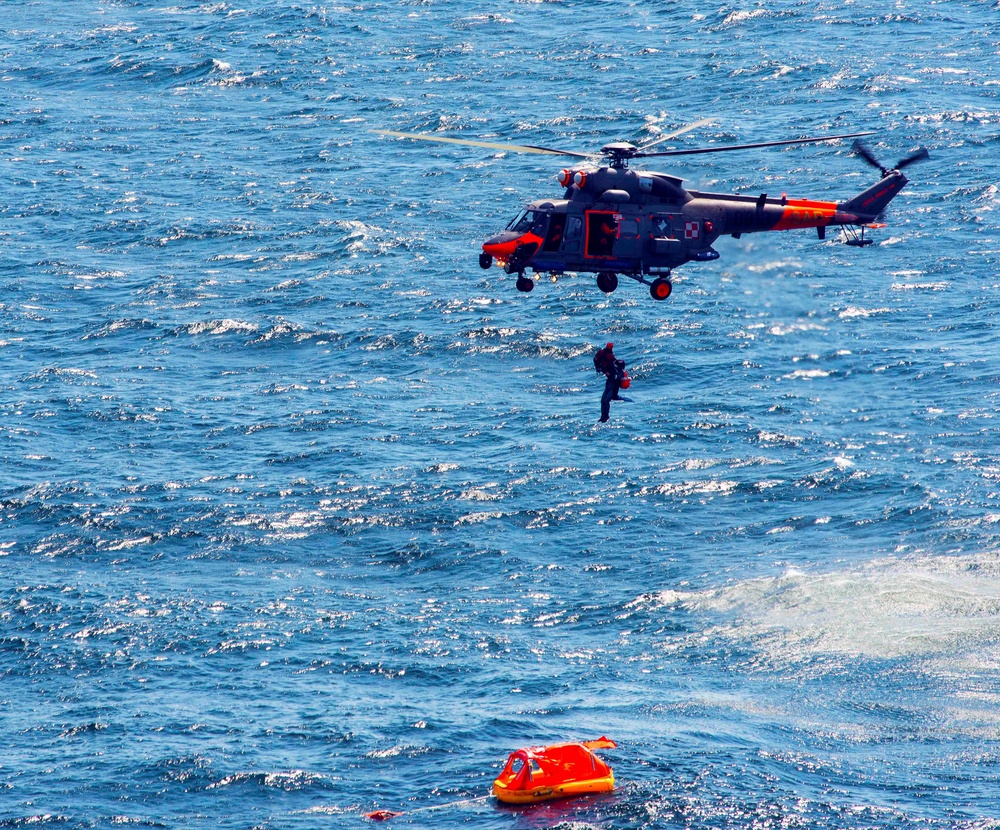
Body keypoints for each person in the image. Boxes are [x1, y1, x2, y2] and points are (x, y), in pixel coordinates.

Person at [594, 342, 626, 422]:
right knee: (603, 401)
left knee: (605, 401)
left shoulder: (619, 372)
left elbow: (616, 380)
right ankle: (603, 416)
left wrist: (604, 371)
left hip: (612, 389)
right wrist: (605, 371)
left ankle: (606, 416)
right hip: (609, 387)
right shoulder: (610, 359)